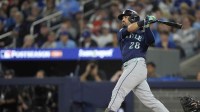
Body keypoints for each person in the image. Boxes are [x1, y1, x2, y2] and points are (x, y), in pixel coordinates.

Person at [105, 9, 169, 112]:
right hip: (132, 68)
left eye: (125, 17)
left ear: (132, 18)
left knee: (119, 90)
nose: (122, 20)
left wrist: (147, 26)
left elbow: (151, 41)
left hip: (136, 64)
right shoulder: (122, 31)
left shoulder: (142, 33)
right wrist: (144, 22)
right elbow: (130, 28)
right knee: (150, 100)